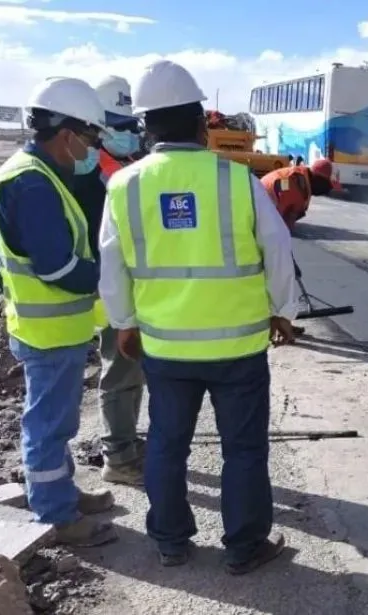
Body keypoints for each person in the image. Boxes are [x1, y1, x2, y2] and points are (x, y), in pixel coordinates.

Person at [99, 60, 297, 573]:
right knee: (244, 450)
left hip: (165, 349)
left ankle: (170, 541)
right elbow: (276, 246)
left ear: (147, 127)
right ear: (199, 124)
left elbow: (111, 263)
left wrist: (124, 321)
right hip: (237, 348)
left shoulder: (123, 186)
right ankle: (245, 546)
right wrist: (283, 311)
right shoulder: (236, 179)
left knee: (166, 445)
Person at [0, 76, 118, 547]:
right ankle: (56, 516)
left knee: (58, 420)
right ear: (68, 133)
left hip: (49, 325)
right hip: (49, 330)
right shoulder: (33, 184)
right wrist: (111, 276)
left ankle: (62, 492)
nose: (93, 147)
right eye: (92, 137)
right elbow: (58, 267)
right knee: (47, 423)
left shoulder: (31, 175)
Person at [71, 74, 147, 485]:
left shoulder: (116, 165)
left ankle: (126, 443)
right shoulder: (90, 172)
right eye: (120, 128)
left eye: (130, 126)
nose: (130, 134)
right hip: (110, 288)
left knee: (131, 372)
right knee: (120, 372)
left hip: (127, 285)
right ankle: (118, 458)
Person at [260, 159, 338, 231]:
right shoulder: (293, 182)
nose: (324, 189)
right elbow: (279, 210)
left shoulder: (302, 180)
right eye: (324, 183)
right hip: (261, 203)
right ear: (317, 178)